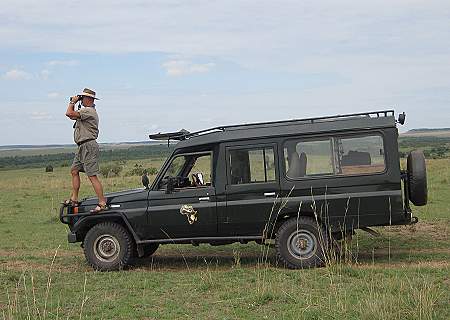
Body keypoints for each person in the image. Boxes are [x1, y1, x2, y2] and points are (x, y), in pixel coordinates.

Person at [64, 88, 108, 213]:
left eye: (83, 97)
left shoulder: (89, 111)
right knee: (74, 171)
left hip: (88, 145)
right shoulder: (85, 111)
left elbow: (69, 113)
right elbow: (73, 116)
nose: (82, 99)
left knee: (92, 175)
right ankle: (74, 199)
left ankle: (102, 203)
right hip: (82, 146)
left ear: (89, 99)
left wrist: (72, 102)